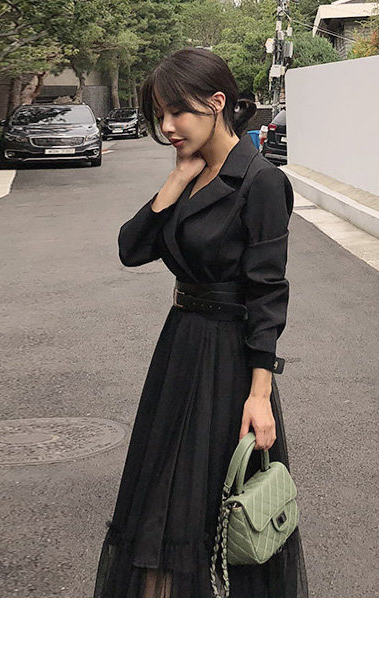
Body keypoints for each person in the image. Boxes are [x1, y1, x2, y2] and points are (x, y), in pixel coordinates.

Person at [94, 48, 308, 598]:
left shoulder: (260, 181)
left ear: (216, 103)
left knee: (208, 505)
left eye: (178, 112)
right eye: (160, 114)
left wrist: (260, 394)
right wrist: (175, 180)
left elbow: (267, 293)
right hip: (179, 350)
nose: (167, 126)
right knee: (160, 498)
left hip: (228, 363)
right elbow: (131, 249)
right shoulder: (191, 172)